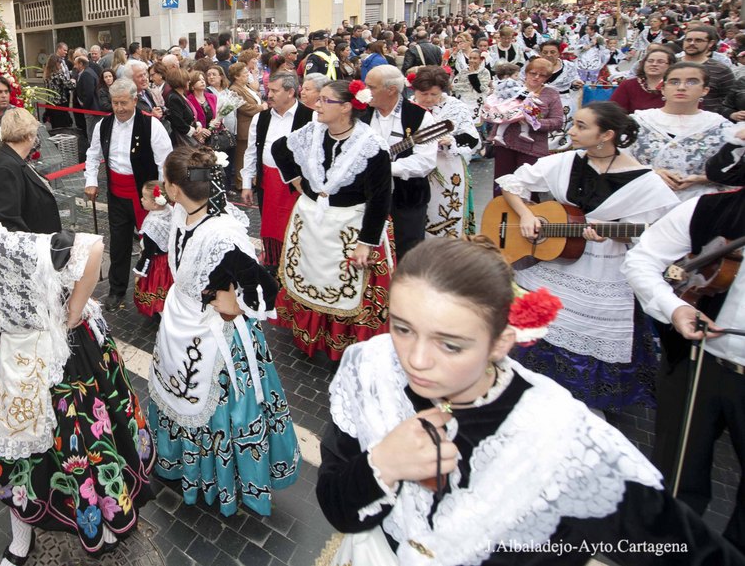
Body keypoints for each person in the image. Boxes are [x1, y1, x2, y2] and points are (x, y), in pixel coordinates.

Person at [315, 237, 745, 566]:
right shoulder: (369, 366)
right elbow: (339, 508)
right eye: (402, 328)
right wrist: (381, 466)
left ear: (502, 342)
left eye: (451, 345)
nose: (416, 359)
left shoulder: (566, 441)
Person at [0, 191, 152, 562]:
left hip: (66, 359)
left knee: (78, 450)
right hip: (19, 362)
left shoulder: (4, 246)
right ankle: (22, 536)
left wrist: (72, 313)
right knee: (15, 454)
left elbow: (90, 248)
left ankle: (98, 521)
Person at [143, 146, 300, 516]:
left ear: (176, 187)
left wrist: (237, 304)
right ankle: (185, 466)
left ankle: (223, 480)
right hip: (181, 326)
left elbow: (265, 291)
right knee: (177, 392)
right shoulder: (185, 211)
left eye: (166, 180)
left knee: (217, 407)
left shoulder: (222, 236)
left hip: (215, 338)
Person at [495, 102, 681, 411]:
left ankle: (583, 405)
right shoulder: (565, 161)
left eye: (582, 126)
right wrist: (527, 215)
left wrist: (616, 232)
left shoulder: (643, 181)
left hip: (602, 271)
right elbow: (513, 183)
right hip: (553, 262)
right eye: (574, 124)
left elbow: (655, 235)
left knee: (590, 332)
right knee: (537, 323)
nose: (572, 130)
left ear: (607, 135)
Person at [624, 136, 745, 549]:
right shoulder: (710, 208)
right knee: (676, 476)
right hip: (698, 362)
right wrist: (672, 307)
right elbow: (642, 258)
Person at [272, 79, 393, 360]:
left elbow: (379, 199)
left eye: (326, 100)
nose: (317, 104)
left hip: (350, 224)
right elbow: (280, 148)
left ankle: (344, 344)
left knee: (346, 284)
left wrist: (366, 243)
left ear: (347, 108)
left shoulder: (372, 146)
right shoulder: (314, 131)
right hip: (312, 220)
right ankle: (312, 336)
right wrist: (296, 179)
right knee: (310, 276)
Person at [83, 79, 173, 309]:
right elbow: (93, 155)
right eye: (115, 103)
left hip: (147, 196)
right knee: (119, 244)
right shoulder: (103, 125)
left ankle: (158, 291)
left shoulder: (151, 125)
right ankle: (117, 290)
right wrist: (91, 181)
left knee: (153, 244)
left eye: (124, 102)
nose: (120, 108)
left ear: (135, 99)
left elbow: (166, 161)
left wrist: (163, 193)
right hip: (117, 193)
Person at [361, 64, 438, 263]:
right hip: (366, 196)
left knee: (408, 253)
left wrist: (386, 168)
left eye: (371, 87)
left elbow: (425, 161)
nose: (365, 91)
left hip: (406, 198)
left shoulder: (419, 116)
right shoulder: (361, 113)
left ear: (391, 90)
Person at [630, 62, 738, 202]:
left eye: (692, 82)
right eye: (674, 82)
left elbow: (734, 171)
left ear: (705, 90)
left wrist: (702, 179)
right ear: (663, 88)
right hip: (644, 200)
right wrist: (650, 172)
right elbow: (614, 162)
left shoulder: (722, 127)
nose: (681, 87)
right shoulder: (637, 122)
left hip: (700, 203)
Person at [240, 72, 316, 265]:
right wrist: (247, 184)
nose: (269, 95)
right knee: (271, 226)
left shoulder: (311, 116)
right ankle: (274, 262)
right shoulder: (261, 118)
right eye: (268, 90)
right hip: (268, 183)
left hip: (297, 186)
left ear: (291, 92)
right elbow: (251, 152)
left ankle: (297, 263)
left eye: (274, 90)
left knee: (296, 227)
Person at [410, 67, 482, 238]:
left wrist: (452, 141)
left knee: (444, 212)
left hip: (447, 168)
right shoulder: (407, 106)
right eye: (423, 93)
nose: (428, 99)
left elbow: (473, 138)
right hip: (413, 168)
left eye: (434, 94)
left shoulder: (456, 107)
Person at [0, 108, 61, 234]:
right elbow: (8, 222)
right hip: (30, 246)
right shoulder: (6, 168)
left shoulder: (9, 158)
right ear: (28, 136)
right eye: (35, 134)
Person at [490, 57, 565, 183]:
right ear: (526, 72)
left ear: (547, 78)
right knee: (502, 184)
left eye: (542, 75)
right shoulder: (512, 87)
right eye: (533, 73)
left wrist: (534, 122)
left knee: (529, 186)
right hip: (505, 143)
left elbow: (557, 121)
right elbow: (494, 108)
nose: (536, 77)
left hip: (532, 148)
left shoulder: (551, 94)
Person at [132, 180, 173, 319]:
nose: (141, 200)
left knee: (156, 288)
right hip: (169, 260)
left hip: (158, 266)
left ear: (155, 204)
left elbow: (148, 254)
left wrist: (139, 272)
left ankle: (160, 313)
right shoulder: (169, 210)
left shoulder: (152, 226)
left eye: (144, 197)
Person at [227, 61, 263, 194]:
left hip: (253, 124)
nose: (248, 74)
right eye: (245, 73)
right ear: (236, 76)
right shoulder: (234, 89)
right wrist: (261, 108)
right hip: (244, 125)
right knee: (242, 156)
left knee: (250, 154)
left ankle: (251, 180)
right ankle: (241, 182)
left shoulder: (246, 86)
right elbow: (243, 107)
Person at [611, 44, 674, 112]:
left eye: (660, 62)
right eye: (650, 61)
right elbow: (613, 112)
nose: (654, 64)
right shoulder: (628, 85)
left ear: (670, 65)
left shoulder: (674, 87)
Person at [161, 66, 196, 146]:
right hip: (182, 139)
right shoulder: (174, 98)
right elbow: (178, 122)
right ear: (180, 81)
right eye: (187, 80)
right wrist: (194, 131)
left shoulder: (181, 94)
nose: (189, 82)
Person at [184, 70, 218, 145]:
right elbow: (189, 120)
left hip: (214, 136)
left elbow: (217, 114)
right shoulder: (188, 100)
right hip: (198, 137)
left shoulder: (212, 97)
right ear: (192, 86)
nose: (202, 82)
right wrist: (199, 130)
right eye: (199, 80)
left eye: (203, 79)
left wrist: (217, 122)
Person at [42, 52, 74, 130]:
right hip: (60, 104)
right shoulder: (58, 75)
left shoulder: (46, 75)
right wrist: (73, 81)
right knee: (63, 127)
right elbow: (69, 86)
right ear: (55, 64)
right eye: (59, 63)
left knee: (55, 126)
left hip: (50, 104)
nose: (60, 65)